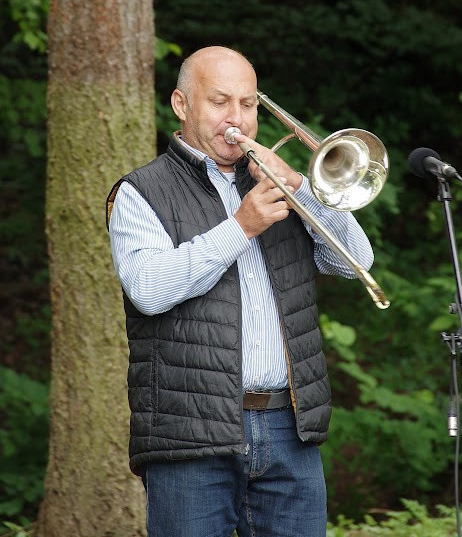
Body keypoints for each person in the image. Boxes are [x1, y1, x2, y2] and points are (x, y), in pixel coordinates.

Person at [106, 46, 374, 537]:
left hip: (288, 429)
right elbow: (149, 289)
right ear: (182, 105)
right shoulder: (141, 191)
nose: (238, 119)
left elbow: (355, 261)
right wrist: (241, 226)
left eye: (248, 104)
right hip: (190, 433)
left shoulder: (281, 187)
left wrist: (306, 188)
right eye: (220, 102)